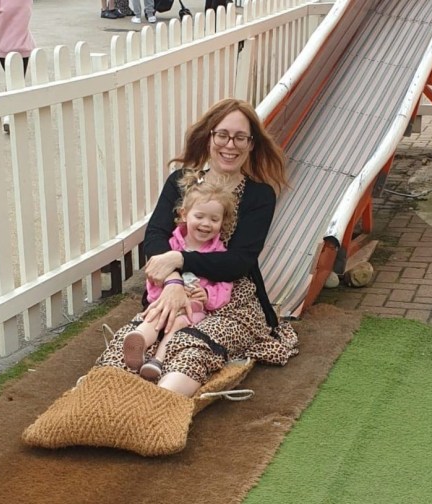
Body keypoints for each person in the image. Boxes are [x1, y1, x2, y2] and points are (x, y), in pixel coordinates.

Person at [96, 98, 298, 397]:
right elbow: (155, 238)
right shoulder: (180, 182)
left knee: (193, 344)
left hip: (231, 298)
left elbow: (238, 262)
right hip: (172, 285)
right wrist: (173, 282)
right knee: (133, 340)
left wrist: (178, 258)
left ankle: (155, 408)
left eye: (240, 137)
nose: (231, 145)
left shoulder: (259, 195)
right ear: (209, 136)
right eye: (223, 135)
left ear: (251, 144)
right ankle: (99, 404)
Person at [122, 178, 235, 380]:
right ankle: (138, 343)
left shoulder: (219, 252)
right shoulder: (172, 246)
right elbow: (154, 275)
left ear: (222, 221)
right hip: (165, 303)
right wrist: (162, 293)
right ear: (184, 214)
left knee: (176, 326)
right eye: (199, 216)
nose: (206, 224)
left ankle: (157, 360)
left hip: (193, 310)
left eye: (214, 219)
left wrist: (208, 296)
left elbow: (225, 286)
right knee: (153, 318)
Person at [0, 0, 36, 133]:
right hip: (23, 47)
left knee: (13, 81)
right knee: (17, 82)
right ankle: (12, 116)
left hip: (4, 47)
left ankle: (9, 116)